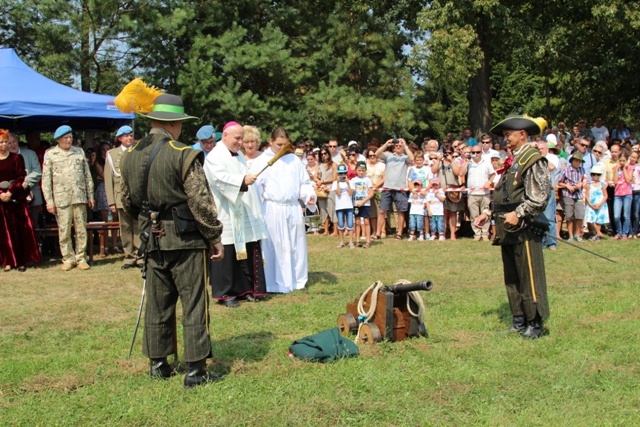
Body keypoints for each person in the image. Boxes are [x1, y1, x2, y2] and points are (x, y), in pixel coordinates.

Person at [118, 90, 224, 388]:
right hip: (186, 240)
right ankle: (195, 372)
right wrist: (214, 236)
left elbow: (126, 202)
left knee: (158, 302)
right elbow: (200, 202)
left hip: (150, 240)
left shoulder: (129, 156)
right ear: (175, 124)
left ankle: (158, 363)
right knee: (193, 302)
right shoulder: (183, 154)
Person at [476, 114, 551, 339]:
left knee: (529, 275)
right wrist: (488, 212)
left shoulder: (532, 158)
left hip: (525, 228)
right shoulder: (513, 160)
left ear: (522, 135)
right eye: (504, 135)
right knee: (512, 277)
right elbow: (504, 193)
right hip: (506, 227)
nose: (505, 139)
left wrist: (519, 214)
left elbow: (539, 196)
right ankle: (519, 319)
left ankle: (535, 322)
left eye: (508, 135)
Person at [203, 121, 268, 307]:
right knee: (228, 251)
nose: (240, 142)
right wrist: (242, 180)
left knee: (245, 248)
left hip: (242, 209)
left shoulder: (238, 154)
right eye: (237, 138)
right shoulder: (214, 156)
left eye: (242, 138)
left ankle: (244, 288)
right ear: (225, 136)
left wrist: (247, 178)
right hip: (226, 210)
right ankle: (226, 292)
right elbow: (218, 179)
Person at [251, 127, 317, 293]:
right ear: (271, 142)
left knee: (296, 244)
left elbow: (304, 183)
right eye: (279, 144)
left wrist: (308, 196)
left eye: (285, 144)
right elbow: (256, 188)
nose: (282, 148)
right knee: (275, 244)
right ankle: (275, 282)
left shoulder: (294, 160)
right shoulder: (263, 161)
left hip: (293, 208)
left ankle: (297, 281)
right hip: (273, 209)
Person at [41, 125, 95, 271]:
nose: (68, 140)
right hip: (61, 199)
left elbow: (87, 176)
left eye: (70, 137)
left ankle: (81, 258)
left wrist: (90, 195)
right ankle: (68, 258)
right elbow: (46, 180)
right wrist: (49, 202)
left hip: (79, 197)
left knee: (81, 229)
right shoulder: (51, 154)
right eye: (65, 138)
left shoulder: (79, 152)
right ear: (58, 139)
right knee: (64, 230)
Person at [0, 129, 40, 271]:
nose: (5, 145)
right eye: (2, 142)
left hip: (17, 199)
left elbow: (21, 177)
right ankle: (7, 261)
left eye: (7, 142)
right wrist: (1, 194)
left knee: (19, 231)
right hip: (1, 201)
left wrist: (10, 192)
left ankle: (21, 261)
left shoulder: (17, 158)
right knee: (4, 233)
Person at [105, 125, 142, 269]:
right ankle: (129, 256)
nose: (129, 138)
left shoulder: (138, 150)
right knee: (125, 227)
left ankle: (140, 256)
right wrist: (111, 202)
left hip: (135, 196)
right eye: (126, 136)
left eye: (131, 135)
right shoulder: (112, 154)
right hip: (120, 197)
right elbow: (108, 179)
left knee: (138, 226)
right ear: (120, 138)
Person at [374, 137, 414, 239]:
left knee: (400, 211)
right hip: (387, 188)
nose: (398, 146)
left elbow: (412, 159)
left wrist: (405, 146)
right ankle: (378, 233)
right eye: (396, 145)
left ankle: (399, 233)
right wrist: (386, 144)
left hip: (400, 189)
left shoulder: (405, 158)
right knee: (382, 211)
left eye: (400, 145)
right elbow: (377, 154)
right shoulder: (388, 156)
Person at [7, 132, 42, 227]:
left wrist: (25, 182)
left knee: (33, 226)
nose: (12, 145)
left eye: (14, 142)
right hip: (11, 198)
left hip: (31, 196)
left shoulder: (30, 154)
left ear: (18, 141)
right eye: (9, 143)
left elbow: (37, 172)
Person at [464, 144, 495, 241]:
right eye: (473, 152)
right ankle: (477, 234)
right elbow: (461, 173)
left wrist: (489, 182)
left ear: (481, 152)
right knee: (474, 215)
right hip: (472, 193)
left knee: (486, 214)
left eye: (478, 152)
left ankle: (485, 234)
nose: (475, 154)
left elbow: (493, 174)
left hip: (485, 193)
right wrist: (466, 163)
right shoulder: (468, 163)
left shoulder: (486, 162)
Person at [558, 152, 587, 242]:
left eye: (579, 161)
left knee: (580, 215)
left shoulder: (582, 170)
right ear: (572, 161)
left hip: (578, 194)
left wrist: (580, 184)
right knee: (569, 215)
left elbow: (585, 180)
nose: (578, 163)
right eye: (576, 161)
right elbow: (559, 182)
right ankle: (570, 235)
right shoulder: (566, 170)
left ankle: (577, 234)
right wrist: (568, 186)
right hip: (568, 194)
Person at [350, 161, 374, 248]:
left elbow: (371, 193)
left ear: (365, 171)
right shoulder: (353, 180)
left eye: (363, 170)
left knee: (367, 222)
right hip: (356, 204)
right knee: (357, 222)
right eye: (359, 170)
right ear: (356, 170)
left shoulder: (367, 180)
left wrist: (363, 201)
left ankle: (368, 241)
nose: (361, 172)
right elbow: (351, 192)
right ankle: (357, 240)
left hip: (365, 204)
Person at [316, 145, 338, 236]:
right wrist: (318, 181)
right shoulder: (320, 165)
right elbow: (315, 176)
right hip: (321, 189)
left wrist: (323, 181)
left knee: (332, 208)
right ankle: (326, 230)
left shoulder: (334, 164)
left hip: (331, 188)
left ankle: (335, 230)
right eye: (321, 154)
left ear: (328, 154)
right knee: (323, 209)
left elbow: (335, 178)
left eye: (325, 153)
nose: (323, 155)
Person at [611, 152, 634, 240]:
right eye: (620, 160)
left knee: (626, 215)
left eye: (624, 160)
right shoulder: (615, 168)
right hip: (618, 194)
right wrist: (616, 170)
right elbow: (615, 181)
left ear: (627, 160)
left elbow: (628, 180)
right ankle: (619, 232)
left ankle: (625, 233)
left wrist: (624, 169)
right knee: (616, 215)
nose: (622, 162)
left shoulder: (630, 168)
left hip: (627, 193)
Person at [332, 163, 355, 248]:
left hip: (349, 206)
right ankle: (341, 241)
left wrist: (348, 183)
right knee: (341, 225)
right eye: (340, 173)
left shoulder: (351, 182)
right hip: (339, 207)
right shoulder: (335, 183)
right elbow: (338, 193)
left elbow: (350, 193)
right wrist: (338, 182)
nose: (342, 175)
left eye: (344, 173)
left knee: (350, 225)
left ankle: (351, 242)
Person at [584, 164, 608, 241]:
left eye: (598, 174)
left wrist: (600, 204)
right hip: (591, 204)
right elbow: (587, 195)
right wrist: (590, 204)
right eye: (594, 174)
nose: (596, 176)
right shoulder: (588, 184)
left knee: (598, 220)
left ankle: (596, 236)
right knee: (590, 219)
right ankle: (598, 232)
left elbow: (605, 195)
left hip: (600, 204)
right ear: (591, 175)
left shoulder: (602, 184)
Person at [365, 146, 385, 239]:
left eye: (374, 155)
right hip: (369, 191)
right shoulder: (365, 165)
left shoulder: (382, 165)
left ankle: (382, 231)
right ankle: (374, 231)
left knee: (381, 212)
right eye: (370, 156)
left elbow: (384, 178)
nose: (372, 157)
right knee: (372, 213)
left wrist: (376, 186)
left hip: (380, 190)